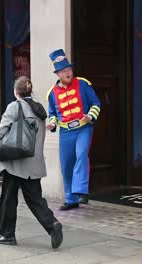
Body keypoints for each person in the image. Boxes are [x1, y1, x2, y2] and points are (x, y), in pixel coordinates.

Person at [0, 76, 63, 248]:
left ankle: (6, 235)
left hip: (15, 162)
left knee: (8, 198)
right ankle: (52, 225)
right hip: (34, 163)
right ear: (30, 91)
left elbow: (2, 130)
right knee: (35, 199)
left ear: (16, 92)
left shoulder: (15, 106)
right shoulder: (39, 109)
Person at [46, 49, 101, 210]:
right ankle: (71, 199)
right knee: (66, 164)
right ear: (58, 74)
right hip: (65, 132)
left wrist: (89, 117)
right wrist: (52, 123)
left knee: (81, 154)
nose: (68, 73)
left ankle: (81, 191)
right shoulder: (52, 93)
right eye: (64, 71)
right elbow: (53, 113)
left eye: (69, 69)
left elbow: (96, 103)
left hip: (83, 128)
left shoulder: (83, 84)